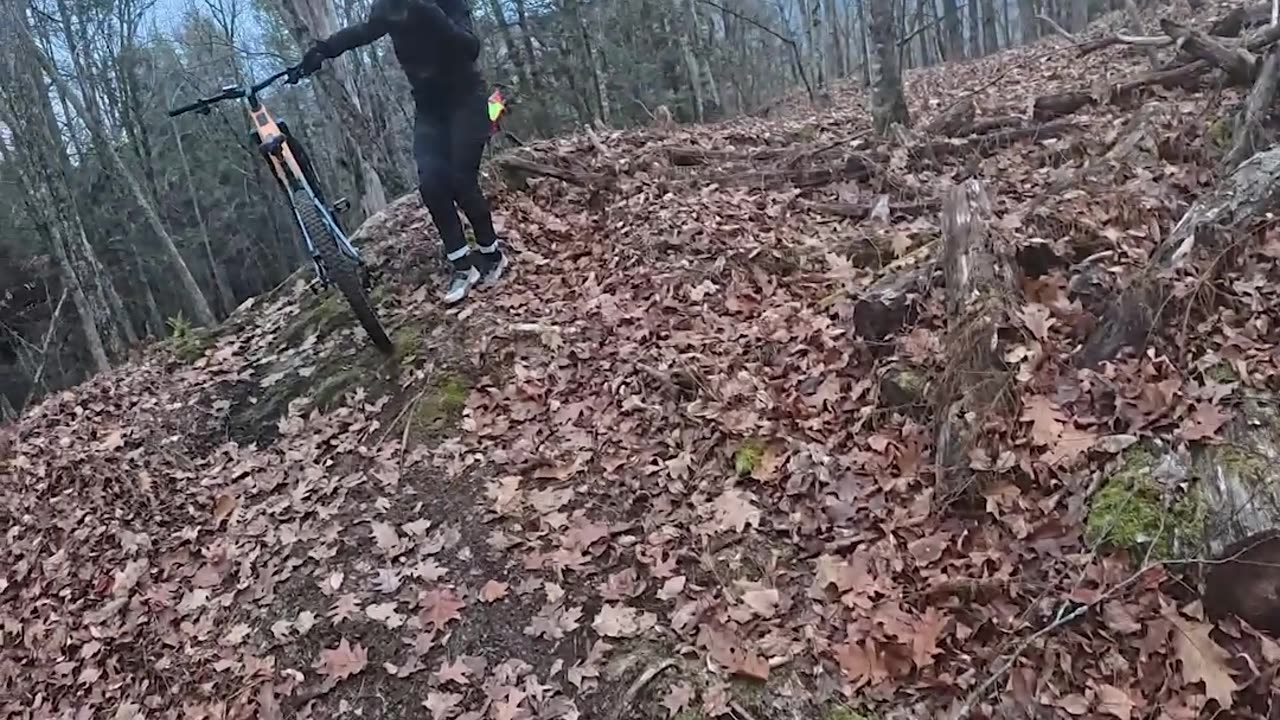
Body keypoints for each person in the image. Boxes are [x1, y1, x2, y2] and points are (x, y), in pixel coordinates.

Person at [299, 0, 507, 305]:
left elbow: (470, 47)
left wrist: (431, 14)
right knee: (432, 184)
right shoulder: (389, 7)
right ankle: (462, 266)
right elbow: (363, 31)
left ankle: (492, 255)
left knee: (462, 182)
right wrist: (324, 49)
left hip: (467, 99)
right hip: (429, 107)